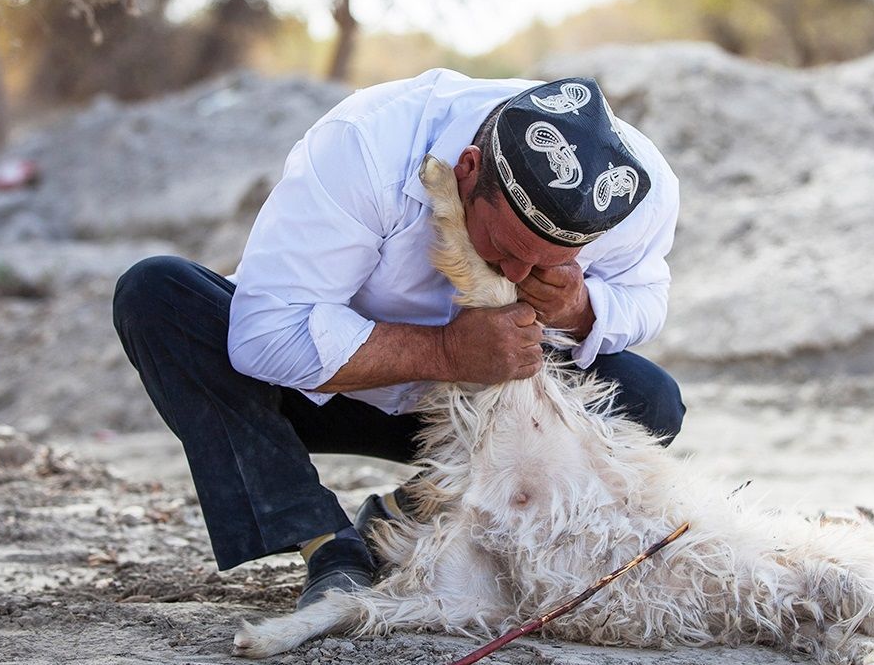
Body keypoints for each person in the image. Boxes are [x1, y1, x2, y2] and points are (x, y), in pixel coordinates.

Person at [112, 69, 684, 609]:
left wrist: (576, 306)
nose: (515, 275)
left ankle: (400, 516)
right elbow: (268, 336)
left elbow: (645, 299)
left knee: (648, 401)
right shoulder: (364, 145)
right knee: (156, 294)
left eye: (543, 261)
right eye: (506, 248)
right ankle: (327, 545)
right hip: (316, 390)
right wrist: (447, 353)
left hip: (468, 420)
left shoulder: (635, 189)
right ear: (467, 170)